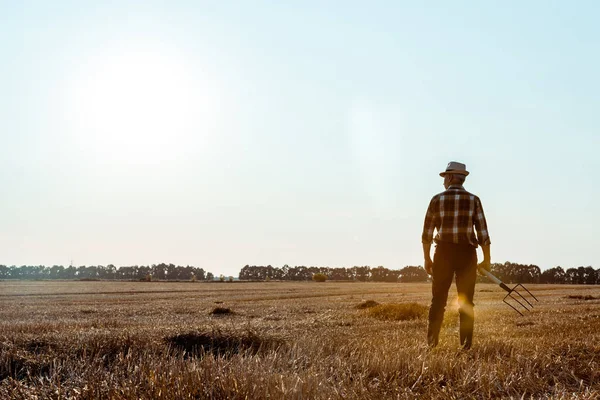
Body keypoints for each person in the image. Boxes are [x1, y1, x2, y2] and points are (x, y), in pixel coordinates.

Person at [422, 161, 491, 349]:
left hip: (443, 252)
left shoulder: (437, 199)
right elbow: (483, 233)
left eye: (445, 177)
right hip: (467, 253)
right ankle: (466, 346)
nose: (443, 181)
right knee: (467, 302)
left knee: (438, 300)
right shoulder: (474, 200)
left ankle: (431, 344)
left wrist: (427, 258)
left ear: (451, 177)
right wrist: (487, 259)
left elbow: (427, 234)